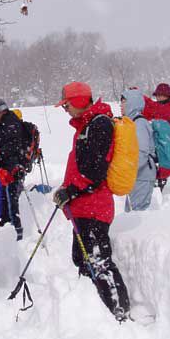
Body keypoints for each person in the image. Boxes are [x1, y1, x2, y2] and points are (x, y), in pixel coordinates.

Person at [53, 81, 131, 322]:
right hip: (84, 207)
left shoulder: (98, 124)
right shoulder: (88, 124)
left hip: (93, 208)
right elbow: (84, 168)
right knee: (84, 259)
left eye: (66, 104)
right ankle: (97, 313)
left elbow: (95, 172)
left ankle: (119, 312)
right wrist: (67, 190)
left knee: (98, 261)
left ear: (77, 101)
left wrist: (71, 191)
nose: (64, 109)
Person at [0, 97, 26, 241]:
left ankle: (17, 229)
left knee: (12, 198)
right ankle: (7, 224)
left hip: (12, 168)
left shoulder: (10, 123)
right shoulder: (5, 123)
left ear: (0, 111)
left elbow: (13, 147)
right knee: (6, 195)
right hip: (8, 167)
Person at [121, 89, 157, 211]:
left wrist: (126, 170)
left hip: (142, 176)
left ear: (133, 103)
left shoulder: (139, 123)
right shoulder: (132, 123)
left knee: (138, 213)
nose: (121, 106)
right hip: (137, 176)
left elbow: (141, 152)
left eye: (124, 102)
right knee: (132, 213)